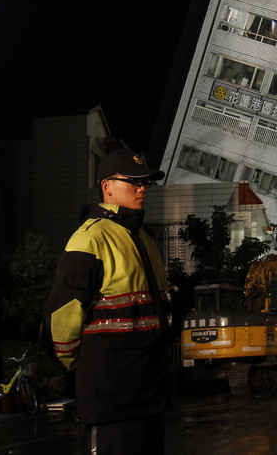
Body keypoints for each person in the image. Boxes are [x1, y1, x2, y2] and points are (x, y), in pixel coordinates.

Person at [45, 147, 171, 454]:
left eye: (146, 182)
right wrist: (87, 369)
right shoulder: (90, 238)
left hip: (149, 392)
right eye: (133, 181)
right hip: (110, 395)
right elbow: (61, 319)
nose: (142, 188)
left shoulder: (144, 239)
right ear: (107, 187)